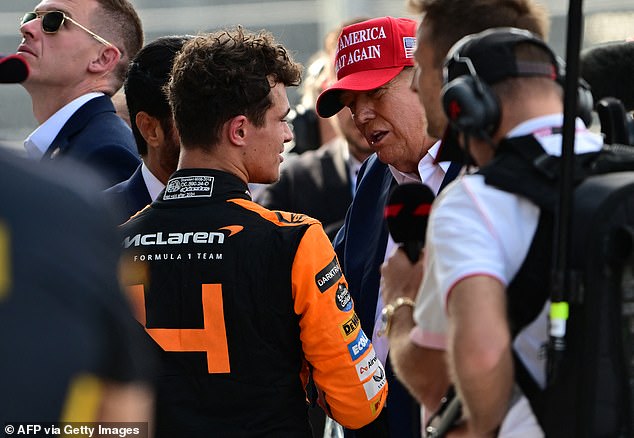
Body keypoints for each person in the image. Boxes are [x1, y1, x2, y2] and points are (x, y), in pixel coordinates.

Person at [119, 28, 387, 437]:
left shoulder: (110, 243)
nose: (288, 135)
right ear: (239, 131)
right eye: (281, 119)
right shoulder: (295, 241)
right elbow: (359, 404)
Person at [392, 27, 604, 436]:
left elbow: (482, 356)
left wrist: (397, 302)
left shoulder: (472, 201)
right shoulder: (624, 167)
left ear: (467, 107)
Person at [378, 0, 549, 423]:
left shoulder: (469, 201)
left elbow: (439, 378)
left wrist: (400, 303)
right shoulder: (616, 165)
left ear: (460, 86)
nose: (416, 86)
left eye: (421, 67)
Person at [315, 16, 461, 437]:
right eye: (349, 101)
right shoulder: (376, 177)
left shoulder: (482, 170)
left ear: (425, 81)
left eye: (375, 91)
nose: (360, 113)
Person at [0, 53, 154, 425]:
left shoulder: (95, 165)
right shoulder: (68, 199)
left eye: (54, 22)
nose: (31, 30)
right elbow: (122, 408)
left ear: (103, 56)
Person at [259, 21, 373, 240]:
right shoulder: (293, 183)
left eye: (374, 92)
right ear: (326, 90)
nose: (361, 111)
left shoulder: (426, 173)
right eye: (346, 95)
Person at [17, 0, 144, 188]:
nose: (26, 27)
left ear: (103, 58)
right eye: (32, 17)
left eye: (54, 20)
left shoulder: (107, 154)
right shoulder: (80, 143)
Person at [104, 36, 191, 224]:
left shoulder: (257, 221)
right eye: (198, 118)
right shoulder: (96, 220)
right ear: (150, 129)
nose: (220, 133)